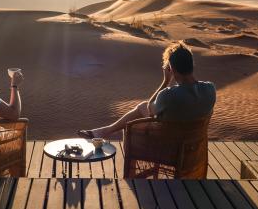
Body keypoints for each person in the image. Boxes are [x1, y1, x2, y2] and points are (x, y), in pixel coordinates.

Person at [78, 41, 215, 138]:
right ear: (192, 64)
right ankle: (104, 131)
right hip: (193, 145)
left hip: (169, 147)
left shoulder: (169, 96)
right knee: (143, 107)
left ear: (171, 69)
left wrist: (166, 81)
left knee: (141, 110)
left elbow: (150, 108)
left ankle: (104, 132)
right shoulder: (210, 89)